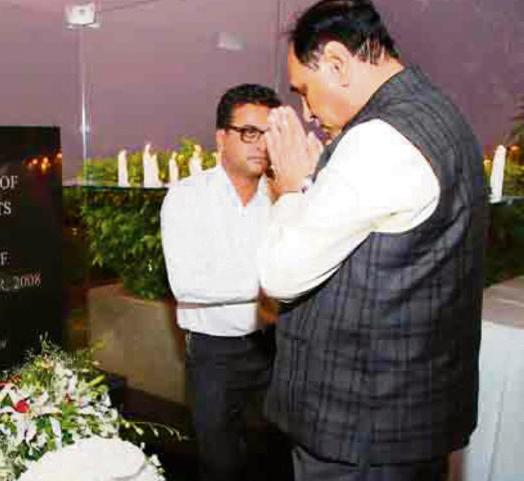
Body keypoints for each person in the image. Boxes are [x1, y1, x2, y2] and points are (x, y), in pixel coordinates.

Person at [256, 1, 489, 480]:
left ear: (337, 64)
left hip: (358, 432)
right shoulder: (438, 115)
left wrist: (292, 190)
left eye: (305, 91)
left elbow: (280, 274)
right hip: (405, 422)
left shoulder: (378, 139)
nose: (307, 111)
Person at [160, 84, 282, 481]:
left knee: (276, 459)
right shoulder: (187, 197)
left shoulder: (283, 196)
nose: (261, 144)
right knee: (220, 465)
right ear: (221, 137)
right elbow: (187, 283)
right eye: (249, 132)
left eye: (269, 134)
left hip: (275, 348)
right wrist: (276, 278)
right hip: (214, 356)